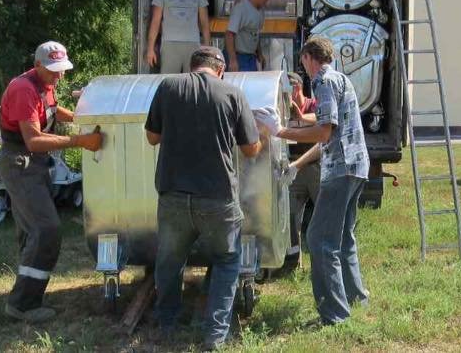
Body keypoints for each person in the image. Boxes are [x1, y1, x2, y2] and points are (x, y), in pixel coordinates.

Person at [144, 46, 263, 351]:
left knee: (169, 260)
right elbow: (251, 150)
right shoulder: (232, 94)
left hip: (172, 194)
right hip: (217, 196)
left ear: (193, 66)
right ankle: (215, 335)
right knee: (226, 260)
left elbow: (152, 136)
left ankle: (167, 322)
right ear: (220, 69)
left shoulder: (168, 86)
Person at [254, 37, 370, 326]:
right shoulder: (341, 79)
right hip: (356, 167)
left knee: (319, 239)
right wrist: (299, 122)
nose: (303, 68)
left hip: (340, 171)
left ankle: (334, 315)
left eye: (303, 61)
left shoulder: (322, 81)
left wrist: (279, 131)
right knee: (344, 237)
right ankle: (356, 298)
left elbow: (324, 133)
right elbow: (327, 126)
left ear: (308, 57)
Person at [0, 41, 103, 323]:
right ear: (38, 65)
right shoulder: (24, 89)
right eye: (54, 70)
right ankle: (23, 304)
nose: (60, 76)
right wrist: (82, 141)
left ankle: (27, 295)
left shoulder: (45, 84)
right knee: (46, 230)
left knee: (32, 232)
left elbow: (55, 112)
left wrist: (88, 117)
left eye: (63, 70)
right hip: (21, 163)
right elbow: (33, 140)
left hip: (34, 164)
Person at [281, 72, 320, 273]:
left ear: (298, 88)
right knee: (289, 215)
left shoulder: (314, 104)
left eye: (291, 89)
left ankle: (324, 262)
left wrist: (301, 116)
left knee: (323, 214)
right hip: (293, 168)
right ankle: (293, 262)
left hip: (315, 167)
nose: (288, 96)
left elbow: (322, 118)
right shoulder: (281, 110)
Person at [146, 0, 211, 73]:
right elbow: (155, 22)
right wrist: (150, 48)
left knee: (193, 82)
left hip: (193, 45)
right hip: (169, 45)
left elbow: (204, 23)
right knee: (170, 81)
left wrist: (207, 48)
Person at [225, 0, 276, 72]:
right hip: (238, 57)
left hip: (251, 57)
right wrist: (232, 60)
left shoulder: (261, 12)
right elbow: (229, 34)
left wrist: (259, 54)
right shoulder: (240, 9)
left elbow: (255, 34)